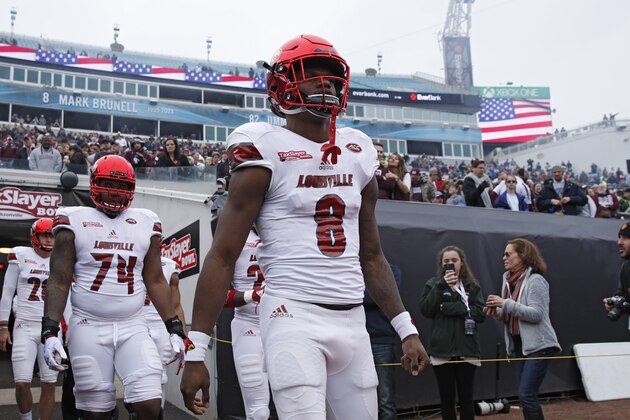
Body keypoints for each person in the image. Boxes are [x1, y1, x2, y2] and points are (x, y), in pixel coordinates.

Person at [180, 34, 429, 419]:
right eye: (312, 75)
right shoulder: (264, 146)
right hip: (292, 314)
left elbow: (373, 256)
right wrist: (196, 348)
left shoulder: (358, 150)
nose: (325, 84)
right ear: (281, 83)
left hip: (352, 318)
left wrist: (406, 328)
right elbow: (224, 254)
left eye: (331, 77)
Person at [41, 155, 194, 420]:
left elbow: (155, 279)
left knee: (149, 402)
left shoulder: (146, 221)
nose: (115, 192)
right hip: (88, 324)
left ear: (132, 189)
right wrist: (50, 330)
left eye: (122, 186)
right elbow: (59, 279)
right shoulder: (72, 218)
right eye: (109, 184)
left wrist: (175, 327)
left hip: (132, 325)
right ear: (94, 183)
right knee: (94, 411)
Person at [484, 238, 561, 420]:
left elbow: (536, 314)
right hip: (519, 346)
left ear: (523, 255)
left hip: (540, 346)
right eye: (504, 254)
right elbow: (510, 315)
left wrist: (505, 303)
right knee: (526, 395)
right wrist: (497, 312)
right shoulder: (508, 280)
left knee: (526, 395)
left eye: (508, 253)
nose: (504, 257)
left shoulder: (536, 280)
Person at [0, 218, 59, 420]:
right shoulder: (21, 255)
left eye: (52, 235)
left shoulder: (61, 259)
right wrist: (3, 327)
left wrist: (67, 329)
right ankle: (26, 418)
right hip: (24, 325)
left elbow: (67, 297)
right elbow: (7, 293)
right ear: (35, 236)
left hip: (50, 329)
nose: (50, 240)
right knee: (22, 382)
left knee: (49, 383)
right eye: (46, 235)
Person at [420, 246, 485, 420]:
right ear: (441, 265)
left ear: (462, 263)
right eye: (446, 261)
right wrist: (441, 286)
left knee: (466, 400)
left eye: (454, 260)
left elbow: (481, 314)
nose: (450, 264)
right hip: (441, 351)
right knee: (446, 401)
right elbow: (426, 310)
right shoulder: (433, 284)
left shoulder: (472, 287)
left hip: (467, 350)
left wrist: (456, 308)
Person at [222, 227, 268, 419]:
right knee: (258, 412)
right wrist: (252, 295)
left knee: (299, 405)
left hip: (287, 323)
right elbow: (218, 296)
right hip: (249, 324)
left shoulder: (289, 229)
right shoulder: (235, 235)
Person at [143, 256, 186, 408]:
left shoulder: (169, 265)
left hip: (162, 324)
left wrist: (183, 338)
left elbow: (176, 305)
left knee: (160, 376)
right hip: (135, 322)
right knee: (136, 376)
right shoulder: (128, 256)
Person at [363, 263, 402, 420]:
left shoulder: (391, 269)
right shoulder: (350, 268)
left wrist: (352, 293)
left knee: (385, 400)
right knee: (359, 397)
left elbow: (383, 295)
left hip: (381, 341)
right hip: (353, 340)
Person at [602, 223, 630, 321]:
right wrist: (614, 301)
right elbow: (622, 293)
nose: (619, 242)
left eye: (625, 238)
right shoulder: (626, 265)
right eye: (620, 238)